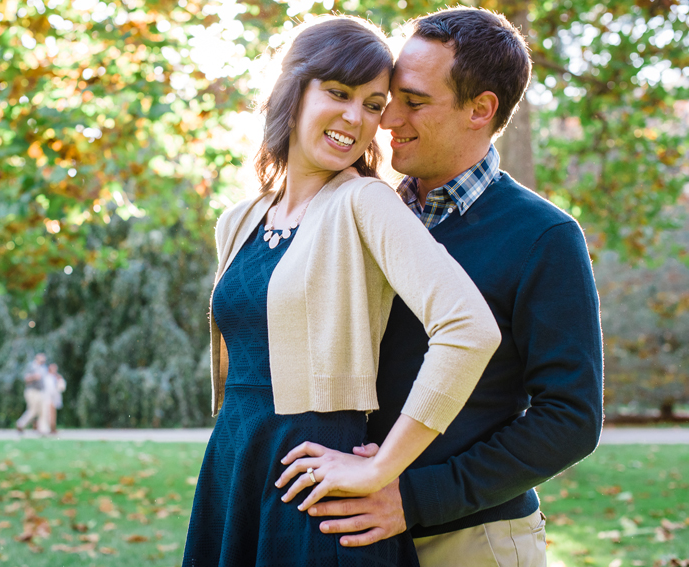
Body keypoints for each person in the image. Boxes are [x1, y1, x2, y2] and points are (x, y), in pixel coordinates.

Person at [183, 15, 501, 567]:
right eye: (338, 93)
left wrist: (382, 467)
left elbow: (468, 328)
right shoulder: (238, 220)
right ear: (293, 89)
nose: (356, 118)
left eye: (374, 104)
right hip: (235, 464)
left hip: (317, 480)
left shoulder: (366, 203)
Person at [297, 8, 604, 567]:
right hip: (349, 530)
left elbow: (571, 419)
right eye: (389, 97)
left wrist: (416, 497)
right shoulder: (366, 208)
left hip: (469, 540)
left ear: (480, 110)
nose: (387, 117)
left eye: (414, 101)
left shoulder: (544, 236)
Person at [16, 353, 50, 435]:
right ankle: (21, 423)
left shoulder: (44, 368)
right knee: (33, 410)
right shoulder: (31, 366)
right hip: (32, 391)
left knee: (43, 410)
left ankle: (43, 429)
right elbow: (25, 378)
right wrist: (34, 377)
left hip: (41, 391)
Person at [44, 363, 66, 433]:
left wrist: (60, 381)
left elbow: (62, 387)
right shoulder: (46, 377)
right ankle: (50, 427)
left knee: (53, 413)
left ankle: (53, 427)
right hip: (47, 397)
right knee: (48, 413)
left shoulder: (58, 377)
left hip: (55, 397)